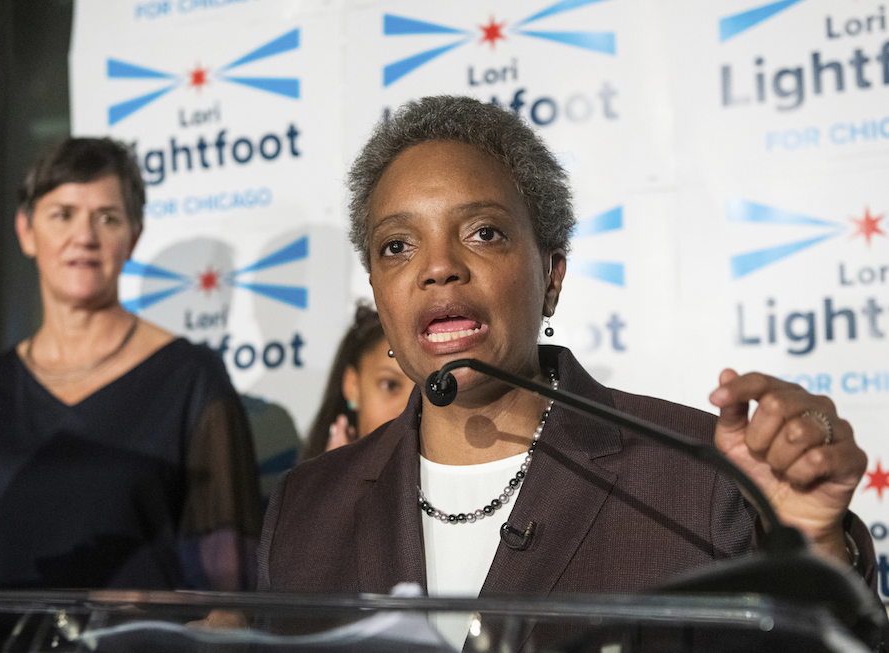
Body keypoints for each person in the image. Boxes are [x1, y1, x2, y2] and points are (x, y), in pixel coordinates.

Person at [257, 97, 875, 650]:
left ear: (551, 276)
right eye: (398, 245)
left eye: (483, 232)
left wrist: (814, 547)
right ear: (378, 292)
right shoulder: (307, 510)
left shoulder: (701, 477)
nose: (439, 267)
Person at [0, 138, 263, 650]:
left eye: (107, 218)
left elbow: (234, 599)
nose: (84, 236)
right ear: (26, 232)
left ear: (133, 236)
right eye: (63, 214)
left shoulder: (192, 380)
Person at [302, 302, 415, 460]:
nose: (411, 408)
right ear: (352, 385)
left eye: (426, 390)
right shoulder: (300, 483)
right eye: (390, 385)